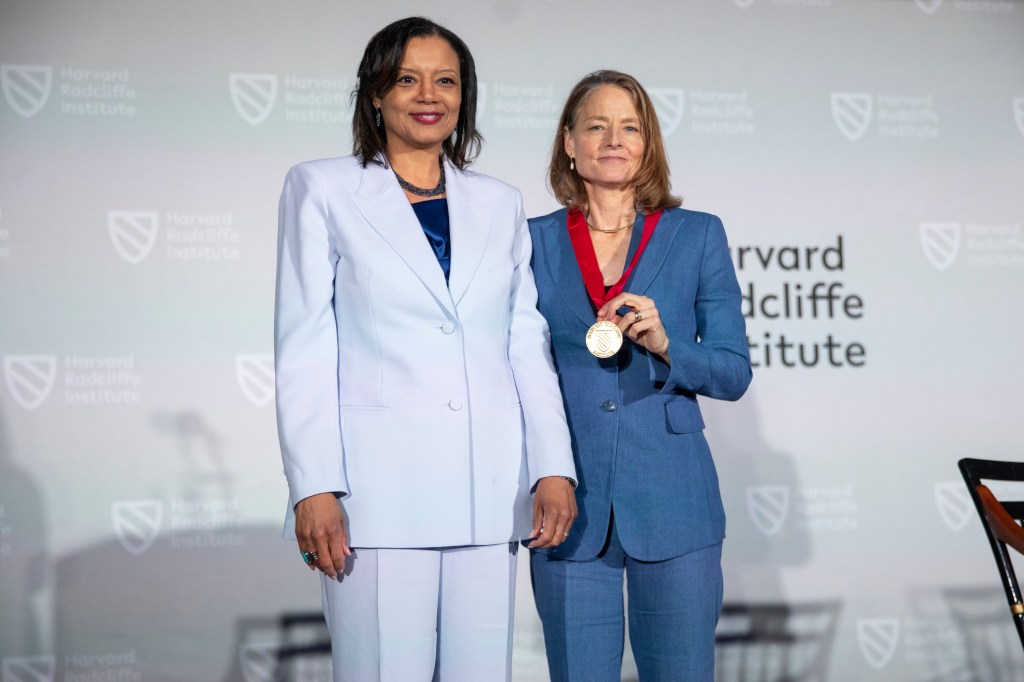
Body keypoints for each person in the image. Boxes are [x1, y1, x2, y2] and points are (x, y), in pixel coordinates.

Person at [273, 17, 577, 682]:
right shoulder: (321, 188)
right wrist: (313, 485)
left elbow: (525, 344)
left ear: (465, 96)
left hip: (488, 493)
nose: (428, 95)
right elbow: (304, 348)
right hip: (375, 499)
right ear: (374, 93)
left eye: (446, 80)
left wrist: (553, 466)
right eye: (407, 79)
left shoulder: (499, 202)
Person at [527, 70, 752, 681]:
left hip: (676, 502)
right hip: (568, 504)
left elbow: (733, 372)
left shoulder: (697, 234)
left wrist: (670, 346)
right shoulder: (529, 241)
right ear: (569, 142)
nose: (613, 139)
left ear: (647, 143)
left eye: (630, 127)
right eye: (595, 126)